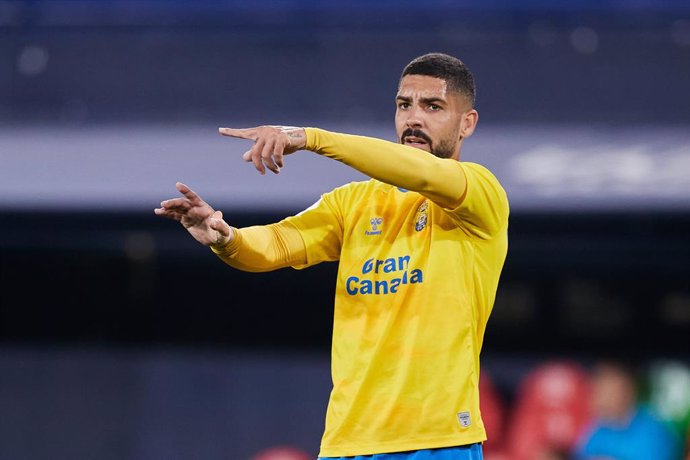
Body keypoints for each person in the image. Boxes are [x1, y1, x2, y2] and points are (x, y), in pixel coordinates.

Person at [155, 53, 509, 460]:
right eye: (403, 105)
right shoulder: (354, 203)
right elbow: (277, 244)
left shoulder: (482, 195)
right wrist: (226, 237)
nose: (414, 118)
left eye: (433, 107)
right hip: (347, 442)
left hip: (436, 442)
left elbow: (424, 173)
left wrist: (310, 137)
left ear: (467, 123)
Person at [575, 361, 682, 460]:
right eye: (598, 386)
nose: (599, 396)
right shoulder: (594, 430)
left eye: (607, 387)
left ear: (627, 388)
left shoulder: (656, 432)